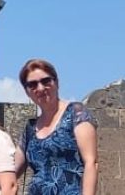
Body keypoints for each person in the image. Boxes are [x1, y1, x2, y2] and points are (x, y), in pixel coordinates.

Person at [18, 59, 98, 195]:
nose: (40, 88)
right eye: (32, 84)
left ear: (57, 82)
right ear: (27, 92)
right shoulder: (30, 129)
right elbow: (11, 169)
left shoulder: (76, 113)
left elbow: (91, 163)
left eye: (46, 81)